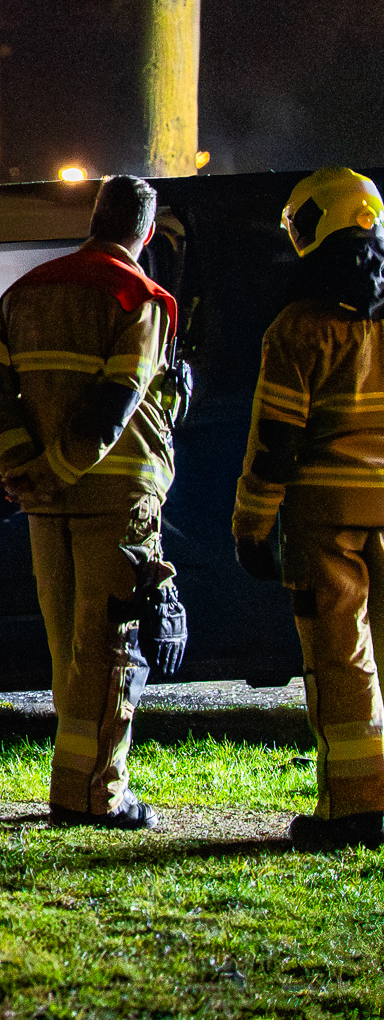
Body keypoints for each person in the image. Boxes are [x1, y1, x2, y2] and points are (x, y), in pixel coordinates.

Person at [0, 174, 188, 830]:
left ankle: (74, 789)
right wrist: (55, 473)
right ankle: (100, 796)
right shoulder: (140, 299)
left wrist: (23, 471)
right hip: (115, 499)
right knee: (111, 648)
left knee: (68, 650)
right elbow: (116, 404)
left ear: (94, 219)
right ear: (144, 233)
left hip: (46, 506)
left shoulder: (25, 293)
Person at [234, 167, 384, 851]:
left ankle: (354, 807)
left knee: (341, 659)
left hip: (325, 520)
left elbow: (275, 444)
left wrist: (251, 525)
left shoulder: (297, 329)